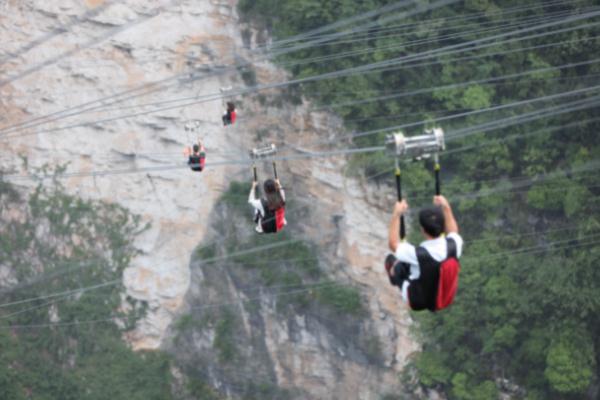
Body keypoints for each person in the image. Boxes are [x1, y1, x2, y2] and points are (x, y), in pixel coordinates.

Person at [385, 195, 463, 311]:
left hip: (417, 300)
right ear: (442, 226)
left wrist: (397, 214)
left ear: (422, 229)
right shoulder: (455, 245)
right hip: (443, 297)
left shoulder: (417, 254)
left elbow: (393, 244)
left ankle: (393, 274)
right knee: (410, 262)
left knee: (395, 263)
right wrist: (446, 207)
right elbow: (453, 231)